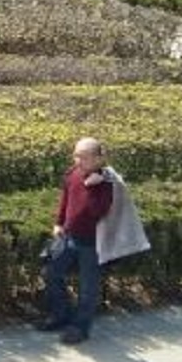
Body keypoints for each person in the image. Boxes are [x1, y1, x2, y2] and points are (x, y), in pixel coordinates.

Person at [36, 135, 133, 346]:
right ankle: (61, 315)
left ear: (98, 159)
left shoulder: (107, 183)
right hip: (68, 237)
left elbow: (98, 212)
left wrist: (92, 186)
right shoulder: (72, 174)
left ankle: (80, 327)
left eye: (84, 157)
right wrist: (58, 223)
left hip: (92, 244)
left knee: (88, 288)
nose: (78, 161)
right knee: (51, 273)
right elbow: (65, 199)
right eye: (76, 156)